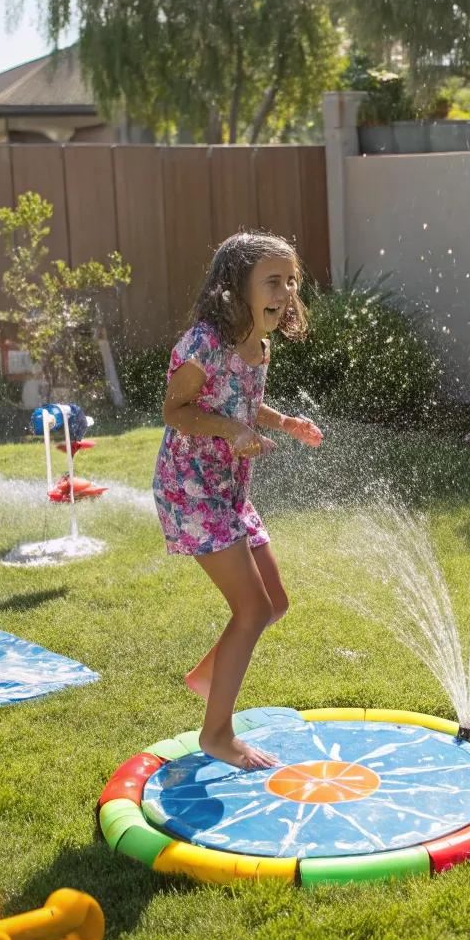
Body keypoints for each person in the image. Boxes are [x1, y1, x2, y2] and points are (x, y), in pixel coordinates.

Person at [153, 231, 323, 770]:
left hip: (228, 489)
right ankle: (217, 734)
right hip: (191, 487)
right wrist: (230, 430)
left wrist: (283, 421)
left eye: (291, 280)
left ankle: (210, 675)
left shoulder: (260, 345)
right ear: (236, 287)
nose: (286, 291)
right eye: (272, 280)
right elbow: (175, 410)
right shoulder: (204, 342)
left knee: (274, 602)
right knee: (250, 609)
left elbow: (247, 400)